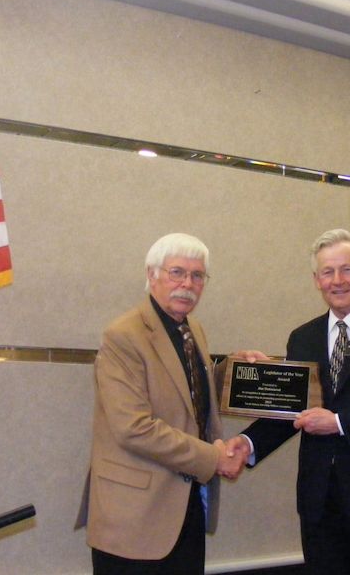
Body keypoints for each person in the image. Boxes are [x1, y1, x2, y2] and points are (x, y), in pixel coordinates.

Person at [228, 228, 350, 575]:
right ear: (316, 280)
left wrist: (338, 423)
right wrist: (247, 443)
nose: (338, 280)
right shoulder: (303, 338)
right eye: (327, 272)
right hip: (320, 506)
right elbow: (292, 409)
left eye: (346, 269)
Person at [82, 232, 246, 575]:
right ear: (151, 274)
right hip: (134, 520)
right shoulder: (123, 335)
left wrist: (241, 372)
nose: (187, 283)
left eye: (197, 275)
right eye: (177, 272)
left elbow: (184, 394)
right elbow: (134, 429)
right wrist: (214, 457)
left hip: (185, 512)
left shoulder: (192, 329)